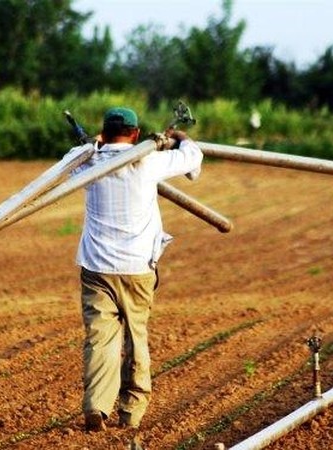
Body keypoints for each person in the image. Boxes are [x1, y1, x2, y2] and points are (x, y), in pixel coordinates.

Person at [70, 107, 203, 435]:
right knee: (136, 336)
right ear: (135, 133)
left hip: (96, 267)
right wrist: (177, 138)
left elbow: (72, 157)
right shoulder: (149, 162)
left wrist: (94, 146)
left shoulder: (87, 162)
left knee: (100, 339)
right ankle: (130, 412)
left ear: (104, 133)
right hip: (137, 268)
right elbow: (193, 157)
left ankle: (96, 406)